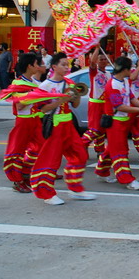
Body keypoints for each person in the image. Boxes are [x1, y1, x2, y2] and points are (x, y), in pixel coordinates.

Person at [30, 52, 96, 205]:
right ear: (54, 67)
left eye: (67, 64)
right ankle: (46, 193)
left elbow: (75, 105)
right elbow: (43, 109)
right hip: (55, 127)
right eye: (63, 64)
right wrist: (61, 100)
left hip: (68, 126)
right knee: (51, 161)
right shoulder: (45, 86)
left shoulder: (68, 83)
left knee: (80, 155)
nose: (67, 67)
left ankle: (75, 188)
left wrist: (76, 95)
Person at [94, 57, 139, 190]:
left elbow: (132, 98)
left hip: (123, 121)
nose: (132, 71)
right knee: (120, 152)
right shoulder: (112, 85)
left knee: (112, 149)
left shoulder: (125, 81)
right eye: (130, 68)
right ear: (125, 69)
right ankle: (127, 180)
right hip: (115, 123)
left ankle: (101, 170)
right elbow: (119, 106)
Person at [2, 53, 47, 193]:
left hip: (34, 120)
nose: (38, 67)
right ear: (30, 66)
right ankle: (17, 180)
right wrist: (34, 96)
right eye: (36, 64)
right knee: (17, 150)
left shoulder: (32, 81)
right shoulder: (18, 83)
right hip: (24, 121)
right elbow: (20, 105)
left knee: (39, 148)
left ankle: (25, 173)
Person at [81, 48, 110, 156]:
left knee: (102, 128)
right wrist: (97, 48)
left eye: (105, 59)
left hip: (105, 103)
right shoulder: (94, 72)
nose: (103, 61)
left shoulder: (108, 74)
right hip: (96, 103)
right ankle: (82, 144)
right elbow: (92, 62)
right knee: (95, 129)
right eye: (101, 59)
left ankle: (100, 149)